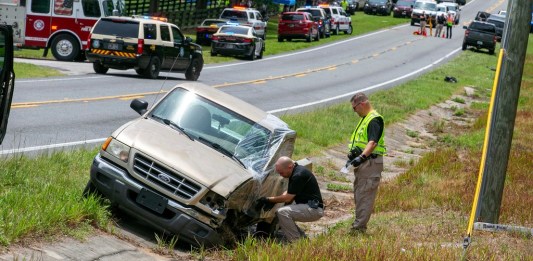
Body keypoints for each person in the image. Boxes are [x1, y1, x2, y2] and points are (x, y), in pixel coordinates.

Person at [255, 156, 324, 242]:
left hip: (314, 210)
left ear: (290, 166)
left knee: (283, 212)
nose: (281, 175)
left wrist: (267, 199)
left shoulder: (298, 175)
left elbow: (288, 198)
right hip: (309, 206)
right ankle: (303, 240)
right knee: (281, 212)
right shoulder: (296, 170)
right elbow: (289, 191)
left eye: (281, 173)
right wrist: (273, 200)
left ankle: (296, 242)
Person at [347, 92, 386, 233]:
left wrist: (361, 157)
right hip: (364, 164)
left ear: (361, 104)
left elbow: (373, 142)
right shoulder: (365, 119)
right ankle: (358, 224)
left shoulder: (374, 119)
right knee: (359, 193)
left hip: (370, 163)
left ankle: (359, 228)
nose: (354, 111)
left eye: (354, 108)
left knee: (365, 195)